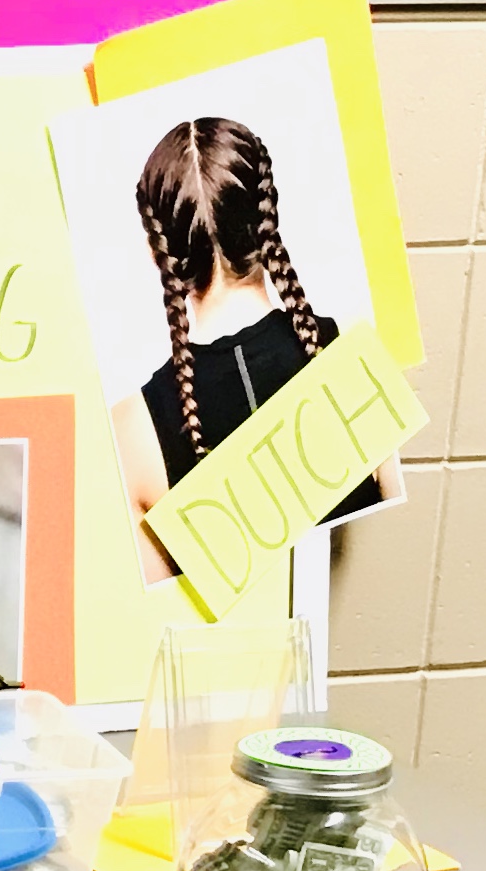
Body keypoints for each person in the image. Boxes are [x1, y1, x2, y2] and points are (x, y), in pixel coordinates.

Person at [107, 115, 390, 581]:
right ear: (267, 223)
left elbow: (155, 622)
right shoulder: (355, 356)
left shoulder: (132, 431)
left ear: (157, 250)